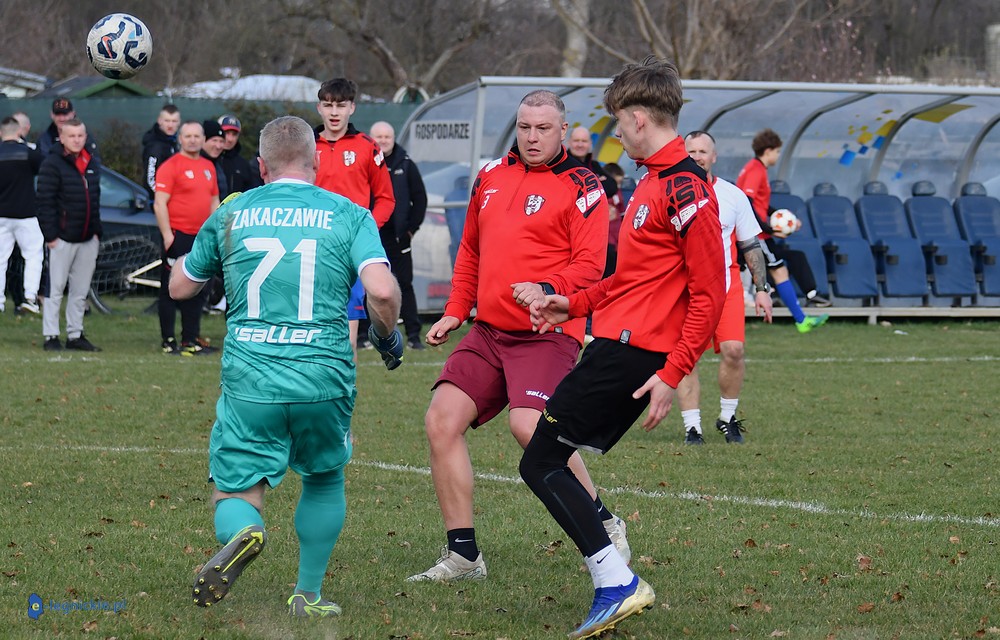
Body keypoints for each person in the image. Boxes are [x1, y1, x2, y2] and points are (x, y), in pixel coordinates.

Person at [520, 58, 727, 639]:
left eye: (617, 121)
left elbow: (710, 293)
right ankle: (614, 577)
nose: (616, 132)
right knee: (544, 458)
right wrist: (571, 304)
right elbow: (629, 279)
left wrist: (673, 372)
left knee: (541, 461)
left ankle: (617, 582)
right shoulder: (652, 182)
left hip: (632, 354)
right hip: (616, 344)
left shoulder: (685, 187)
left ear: (638, 119)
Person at [171, 115, 403, 617]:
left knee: (236, 488)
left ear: (261, 166)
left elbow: (180, 287)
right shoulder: (349, 213)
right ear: (316, 163)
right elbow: (383, 292)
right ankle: (307, 595)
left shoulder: (233, 212)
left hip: (251, 379)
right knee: (324, 477)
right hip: (324, 377)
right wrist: (386, 336)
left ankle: (246, 530)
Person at [407, 90, 630, 584]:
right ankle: (464, 556)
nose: (532, 137)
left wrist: (547, 288)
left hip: (546, 331)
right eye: (525, 127)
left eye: (543, 128)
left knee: (530, 426)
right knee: (441, 421)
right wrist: (455, 310)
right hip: (489, 330)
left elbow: (590, 266)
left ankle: (603, 520)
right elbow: (470, 250)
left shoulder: (584, 185)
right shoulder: (490, 175)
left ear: (562, 130)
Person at [678, 131, 773, 445]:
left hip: (727, 286)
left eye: (702, 151)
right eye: (690, 151)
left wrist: (761, 288)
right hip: (685, 288)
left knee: (734, 350)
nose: (697, 157)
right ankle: (692, 427)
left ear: (714, 157)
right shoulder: (671, 192)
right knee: (687, 357)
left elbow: (750, 244)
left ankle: (727, 417)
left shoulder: (733, 195)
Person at [313, 78, 395, 359]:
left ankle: (345, 386)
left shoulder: (367, 147)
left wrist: (364, 232)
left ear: (352, 108)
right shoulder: (306, 145)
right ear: (319, 108)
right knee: (309, 332)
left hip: (349, 252)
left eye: (341, 105)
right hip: (312, 247)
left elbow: (386, 199)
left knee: (347, 339)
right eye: (328, 105)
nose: (334, 112)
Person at [736, 128, 831, 333]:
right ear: (768, 151)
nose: (778, 156)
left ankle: (801, 319)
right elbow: (747, 203)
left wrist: (785, 219)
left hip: (757, 233)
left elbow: (760, 204)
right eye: (778, 152)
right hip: (757, 235)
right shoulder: (755, 170)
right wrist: (769, 228)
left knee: (777, 271)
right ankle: (801, 320)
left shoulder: (755, 168)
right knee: (778, 271)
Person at [36, 119, 103, 352]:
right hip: (62, 239)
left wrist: (96, 232)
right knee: (55, 289)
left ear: (85, 137)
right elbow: (44, 202)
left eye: (80, 135)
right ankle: (51, 335)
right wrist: (51, 236)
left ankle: (75, 334)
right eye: (71, 136)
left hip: (88, 238)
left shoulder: (91, 162)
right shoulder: (51, 164)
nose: (76, 140)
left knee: (80, 290)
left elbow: (95, 198)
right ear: (62, 138)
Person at [153, 121, 220, 355]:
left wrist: (215, 232)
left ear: (203, 139)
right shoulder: (171, 166)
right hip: (178, 236)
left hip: (201, 238)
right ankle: (168, 340)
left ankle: (190, 340)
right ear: (180, 139)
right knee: (170, 289)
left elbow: (214, 201)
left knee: (198, 288)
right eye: (188, 136)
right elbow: (160, 203)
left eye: (196, 136)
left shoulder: (208, 166)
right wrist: (167, 236)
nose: (192, 140)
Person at [370, 120, 427, 349]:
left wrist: (411, 229)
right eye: (379, 136)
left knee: (404, 283)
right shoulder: (366, 162)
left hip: (399, 236)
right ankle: (364, 335)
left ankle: (413, 335)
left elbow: (420, 198)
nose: (383, 141)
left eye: (387, 136)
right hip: (372, 234)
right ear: (371, 139)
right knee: (367, 285)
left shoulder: (406, 163)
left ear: (393, 139)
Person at [0, 116, 44, 315]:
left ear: (1, 133)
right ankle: (30, 298)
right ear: (19, 132)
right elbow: (43, 167)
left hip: (1, 214)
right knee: (33, 256)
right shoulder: (28, 153)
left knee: (1, 259)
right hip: (26, 214)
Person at [141, 104, 181, 198]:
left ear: (179, 122)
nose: (170, 125)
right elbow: (150, 179)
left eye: (174, 121)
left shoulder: (173, 142)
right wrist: (162, 198)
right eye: (167, 121)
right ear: (159, 121)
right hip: (157, 200)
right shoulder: (155, 146)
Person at [218, 114, 262, 193]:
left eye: (234, 134)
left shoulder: (243, 165)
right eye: (226, 133)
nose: (230, 139)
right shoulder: (208, 161)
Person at [443, 175, 469, 269]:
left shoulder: (450, 196)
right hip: (472, 243)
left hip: (457, 243)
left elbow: (452, 223)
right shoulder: (476, 194)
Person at [201, 119, 229, 199]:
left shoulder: (219, 163)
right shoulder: (194, 163)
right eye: (214, 140)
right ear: (203, 140)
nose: (218, 146)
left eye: (221, 141)